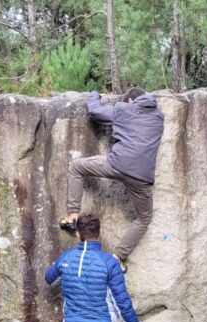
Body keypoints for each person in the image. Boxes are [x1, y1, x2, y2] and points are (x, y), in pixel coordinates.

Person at [65, 87, 165, 272]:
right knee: (144, 218)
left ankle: (73, 214)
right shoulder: (159, 116)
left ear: (129, 101)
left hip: (117, 164)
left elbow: (95, 112)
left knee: (76, 167)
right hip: (142, 176)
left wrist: (94, 95)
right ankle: (118, 257)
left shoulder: (124, 109)